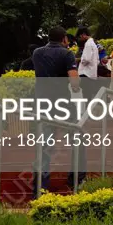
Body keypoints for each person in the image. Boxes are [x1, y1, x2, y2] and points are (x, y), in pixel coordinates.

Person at [31, 26, 80, 194]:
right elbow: (74, 83)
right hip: (62, 103)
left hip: (42, 103)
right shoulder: (67, 54)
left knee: (44, 145)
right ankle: (76, 179)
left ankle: (40, 187)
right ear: (64, 39)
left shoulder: (37, 53)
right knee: (77, 137)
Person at [75, 26, 100, 99]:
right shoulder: (94, 44)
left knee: (86, 95)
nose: (80, 38)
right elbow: (97, 60)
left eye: (80, 36)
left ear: (83, 34)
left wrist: (80, 60)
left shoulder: (88, 44)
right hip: (92, 73)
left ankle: (86, 110)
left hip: (86, 73)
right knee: (89, 95)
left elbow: (86, 59)